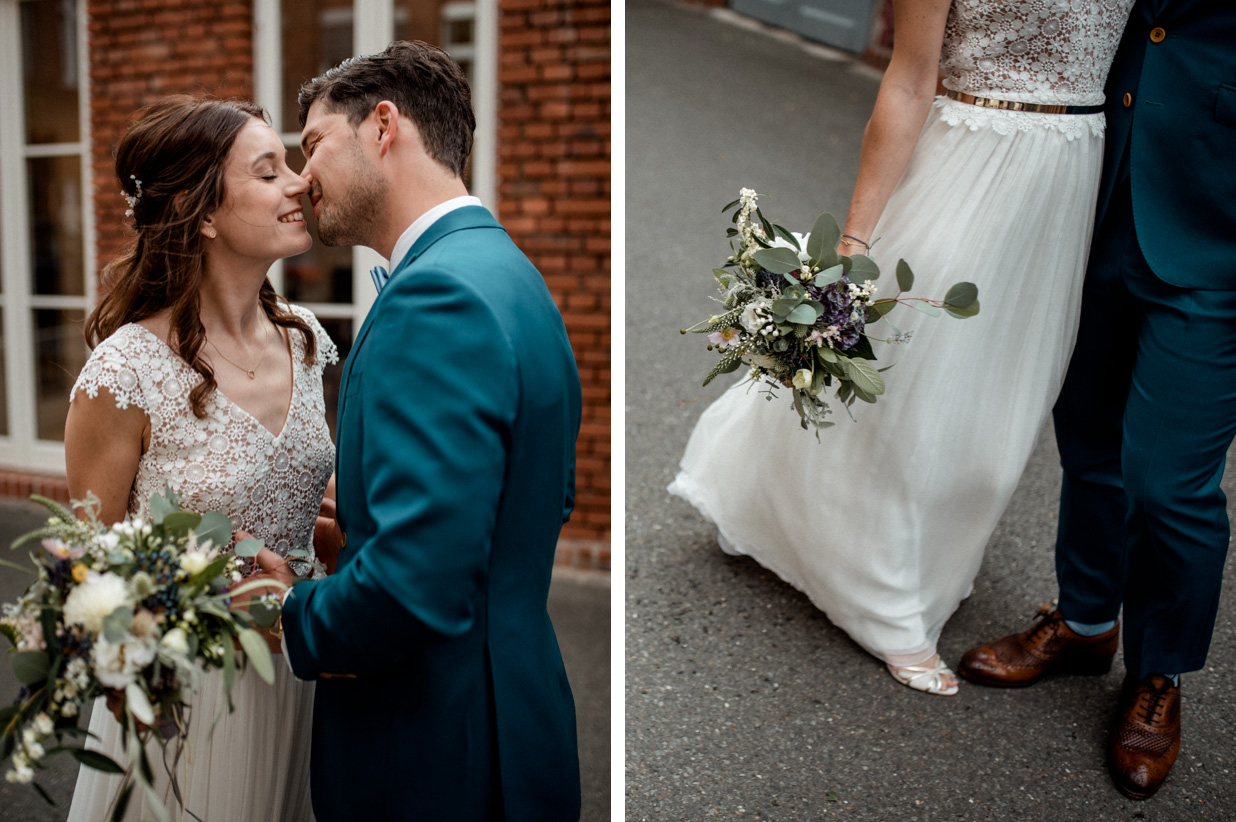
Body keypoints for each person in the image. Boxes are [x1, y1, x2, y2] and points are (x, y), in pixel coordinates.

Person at [669, 0, 1135, 695]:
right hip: (967, 171)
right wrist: (854, 244)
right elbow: (911, 78)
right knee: (918, 389)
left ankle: (930, 556)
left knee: (1000, 411)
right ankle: (887, 603)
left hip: (1070, 185)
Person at [256, 41, 583, 819]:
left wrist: (285, 611)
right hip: (510, 711)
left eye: (313, 147)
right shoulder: (504, 269)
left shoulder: (434, 298)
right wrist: (364, 535)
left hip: (437, 751)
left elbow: (417, 585)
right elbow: (530, 501)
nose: (301, 181)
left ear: (383, 126)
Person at [959, 0, 1236, 800]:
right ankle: (1084, 622)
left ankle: (1159, 675)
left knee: (1170, 484)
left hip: (1217, 234)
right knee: (1088, 440)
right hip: (1098, 196)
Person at [63, 95, 336, 821]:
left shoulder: (305, 341)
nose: (300, 183)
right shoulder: (126, 374)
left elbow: (308, 491)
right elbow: (90, 573)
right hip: (194, 699)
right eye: (268, 171)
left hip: (307, 672)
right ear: (203, 212)